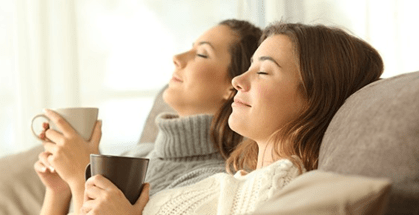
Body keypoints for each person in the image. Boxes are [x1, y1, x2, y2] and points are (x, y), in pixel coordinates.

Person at [79, 22, 384, 215]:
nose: (238, 79)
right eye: (249, 67)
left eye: (263, 71)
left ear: (314, 97)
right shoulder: (236, 182)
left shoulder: (278, 187)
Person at [34, 19, 262, 215]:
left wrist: (81, 175)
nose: (177, 57)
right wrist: (59, 190)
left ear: (235, 87)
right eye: (190, 48)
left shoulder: (214, 180)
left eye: (202, 54)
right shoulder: (138, 155)